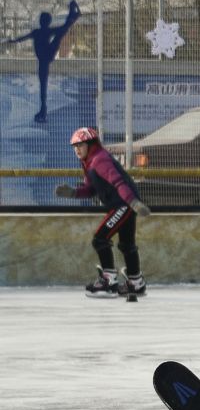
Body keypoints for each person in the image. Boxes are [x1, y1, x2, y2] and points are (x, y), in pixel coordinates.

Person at [54, 126, 149, 297]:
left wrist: (133, 203)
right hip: (123, 205)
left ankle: (108, 281)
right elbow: (90, 189)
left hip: (123, 204)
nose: (77, 150)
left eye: (80, 146)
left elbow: (119, 182)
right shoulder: (89, 162)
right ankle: (136, 282)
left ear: (91, 145)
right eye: (74, 147)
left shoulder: (100, 160)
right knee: (126, 244)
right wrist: (74, 192)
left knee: (100, 239)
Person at [5, 0, 81, 124]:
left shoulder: (38, 32)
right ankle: (73, 14)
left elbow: (21, 39)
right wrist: (12, 41)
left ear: (43, 21)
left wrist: (12, 41)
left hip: (45, 58)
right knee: (61, 31)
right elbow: (22, 38)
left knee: (61, 32)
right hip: (47, 56)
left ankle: (43, 110)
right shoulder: (42, 31)